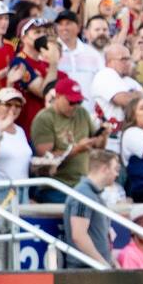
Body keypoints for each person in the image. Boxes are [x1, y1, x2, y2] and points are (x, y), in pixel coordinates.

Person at [31, 74, 104, 202]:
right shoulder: (44, 118)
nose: (75, 105)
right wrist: (76, 149)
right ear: (58, 97)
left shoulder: (82, 113)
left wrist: (103, 135)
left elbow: (98, 147)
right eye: (71, 102)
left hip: (83, 184)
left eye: (79, 101)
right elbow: (46, 158)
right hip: (57, 187)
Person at [63, 148, 119, 268]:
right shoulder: (83, 194)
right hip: (85, 271)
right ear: (104, 169)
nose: (117, 174)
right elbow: (79, 235)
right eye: (115, 169)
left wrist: (112, 262)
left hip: (94, 268)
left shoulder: (94, 195)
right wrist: (103, 264)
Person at [0, 87, 33, 200]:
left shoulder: (20, 131)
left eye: (18, 105)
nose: (13, 108)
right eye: (8, 104)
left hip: (23, 189)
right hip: (1, 190)